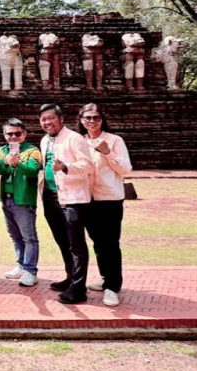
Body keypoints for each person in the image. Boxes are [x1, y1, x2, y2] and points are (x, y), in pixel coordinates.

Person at [78, 103, 132, 307]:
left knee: (110, 243)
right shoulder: (79, 141)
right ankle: (105, 278)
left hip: (109, 198)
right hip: (86, 197)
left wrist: (108, 153)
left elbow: (126, 169)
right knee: (97, 242)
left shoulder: (114, 140)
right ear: (81, 120)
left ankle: (112, 286)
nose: (92, 121)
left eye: (96, 118)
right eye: (88, 118)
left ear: (102, 119)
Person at [39, 104, 94, 304]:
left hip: (73, 196)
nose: (47, 122)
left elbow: (88, 165)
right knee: (62, 240)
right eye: (43, 119)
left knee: (76, 244)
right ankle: (71, 277)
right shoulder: (45, 140)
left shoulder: (74, 138)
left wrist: (65, 167)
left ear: (60, 118)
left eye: (51, 118)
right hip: (51, 194)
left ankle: (79, 289)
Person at [0, 118, 43, 287]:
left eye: (18, 133)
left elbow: (33, 171)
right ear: (4, 135)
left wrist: (18, 163)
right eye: (10, 134)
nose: (13, 137)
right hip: (7, 197)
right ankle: (21, 264)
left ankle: (30, 270)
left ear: (24, 134)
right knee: (15, 235)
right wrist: (6, 161)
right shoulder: (2, 150)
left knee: (29, 237)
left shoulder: (32, 151)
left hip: (24, 199)